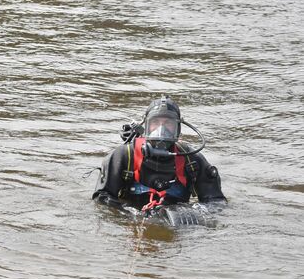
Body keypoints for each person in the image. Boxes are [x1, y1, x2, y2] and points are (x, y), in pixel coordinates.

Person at [92, 95, 225, 224]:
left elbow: (216, 203)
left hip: (176, 225)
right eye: (155, 123)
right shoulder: (124, 156)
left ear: (178, 129)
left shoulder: (192, 160)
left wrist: (191, 212)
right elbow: (102, 200)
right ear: (147, 127)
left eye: (168, 124)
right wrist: (132, 218)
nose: (161, 130)